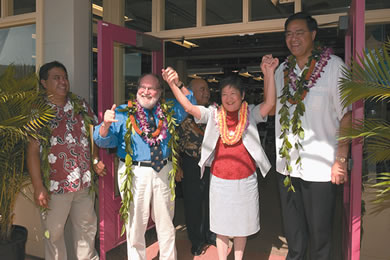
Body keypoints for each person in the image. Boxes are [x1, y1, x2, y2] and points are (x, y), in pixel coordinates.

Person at [162, 57, 277, 260]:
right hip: (220, 181)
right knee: (221, 226)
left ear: (242, 96)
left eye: (234, 93)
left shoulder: (250, 112)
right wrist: (172, 84)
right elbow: (189, 107)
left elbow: (269, 103)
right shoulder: (214, 114)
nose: (229, 98)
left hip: (246, 180)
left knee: (242, 226)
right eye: (225, 94)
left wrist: (268, 73)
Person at [268, 12, 351, 260]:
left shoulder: (334, 67)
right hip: (288, 167)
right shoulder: (283, 70)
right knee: (294, 235)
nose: (293, 39)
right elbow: (272, 109)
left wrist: (341, 159)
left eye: (299, 32)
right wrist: (266, 74)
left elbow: (347, 115)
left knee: (320, 235)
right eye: (289, 34)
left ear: (313, 35)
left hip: (322, 167)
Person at [93, 73, 194, 260]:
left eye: (152, 88)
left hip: (163, 170)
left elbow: (190, 102)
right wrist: (105, 125)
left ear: (159, 92)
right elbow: (102, 141)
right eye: (143, 87)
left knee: (166, 223)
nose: (147, 91)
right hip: (135, 172)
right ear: (137, 89)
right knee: (135, 224)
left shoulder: (168, 111)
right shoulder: (123, 113)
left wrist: (177, 83)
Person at [27, 61, 106, 260]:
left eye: (65, 77)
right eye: (57, 78)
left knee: (87, 230)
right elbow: (32, 151)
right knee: (53, 235)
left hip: (84, 184)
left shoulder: (79, 104)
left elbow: (93, 133)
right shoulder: (38, 111)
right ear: (44, 83)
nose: (63, 82)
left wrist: (95, 158)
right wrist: (38, 187)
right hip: (55, 187)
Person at [176, 78, 216, 256]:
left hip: (213, 165)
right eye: (201, 89)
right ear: (190, 93)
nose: (206, 92)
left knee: (212, 201)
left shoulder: (214, 113)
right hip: (192, 164)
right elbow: (174, 143)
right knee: (193, 204)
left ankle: (211, 234)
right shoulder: (183, 116)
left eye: (207, 89)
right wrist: (177, 166)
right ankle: (197, 240)